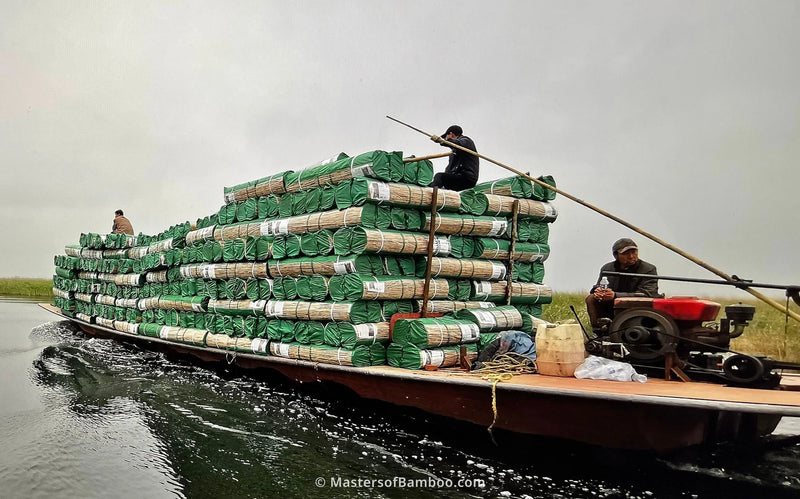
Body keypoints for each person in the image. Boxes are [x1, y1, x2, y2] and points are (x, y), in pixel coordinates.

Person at [585, 238, 660, 333]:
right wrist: (598, 292)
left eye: (634, 252)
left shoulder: (648, 269)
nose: (631, 256)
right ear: (616, 255)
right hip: (612, 305)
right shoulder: (607, 268)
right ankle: (599, 331)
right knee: (591, 298)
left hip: (637, 306)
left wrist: (615, 295)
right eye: (626, 253)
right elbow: (598, 286)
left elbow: (648, 294)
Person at [429, 125, 479, 191]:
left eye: (446, 137)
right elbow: (449, 169)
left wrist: (441, 141)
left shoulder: (466, 141)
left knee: (439, 176)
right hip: (458, 178)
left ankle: (430, 192)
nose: (446, 139)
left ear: (451, 134)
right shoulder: (454, 153)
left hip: (467, 178)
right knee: (440, 180)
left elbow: (457, 143)